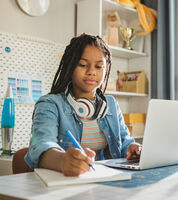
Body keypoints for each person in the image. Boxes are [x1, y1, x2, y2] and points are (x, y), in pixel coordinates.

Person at [25, 33, 141, 176]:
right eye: (83, 65)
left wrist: (132, 148)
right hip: (65, 181)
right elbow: (41, 145)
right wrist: (62, 161)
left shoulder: (110, 104)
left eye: (99, 66)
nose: (91, 72)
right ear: (70, 65)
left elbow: (123, 142)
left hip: (105, 179)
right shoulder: (49, 104)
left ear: (107, 67)